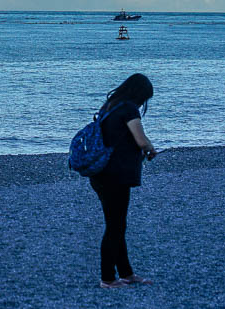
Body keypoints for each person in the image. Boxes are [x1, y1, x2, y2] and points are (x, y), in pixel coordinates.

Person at [89, 73, 157, 290]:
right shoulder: (129, 109)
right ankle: (108, 278)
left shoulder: (110, 105)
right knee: (115, 226)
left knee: (117, 224)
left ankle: (126, 273)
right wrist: (150, 149)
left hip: (101, 173)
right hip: (114, 175)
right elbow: (140, 139)